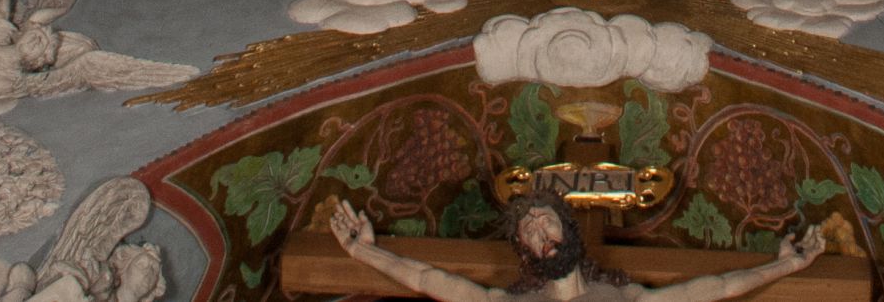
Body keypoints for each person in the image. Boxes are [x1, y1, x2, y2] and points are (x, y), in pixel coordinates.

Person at [326, 187, 819, 302]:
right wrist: (361, 251)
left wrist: (786, 266)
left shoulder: (626, 300)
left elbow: (717, 287)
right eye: (529, 232)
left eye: (545, 222)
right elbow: (426, 279)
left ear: (568, 229)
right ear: (524, 251)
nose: (540, 233)